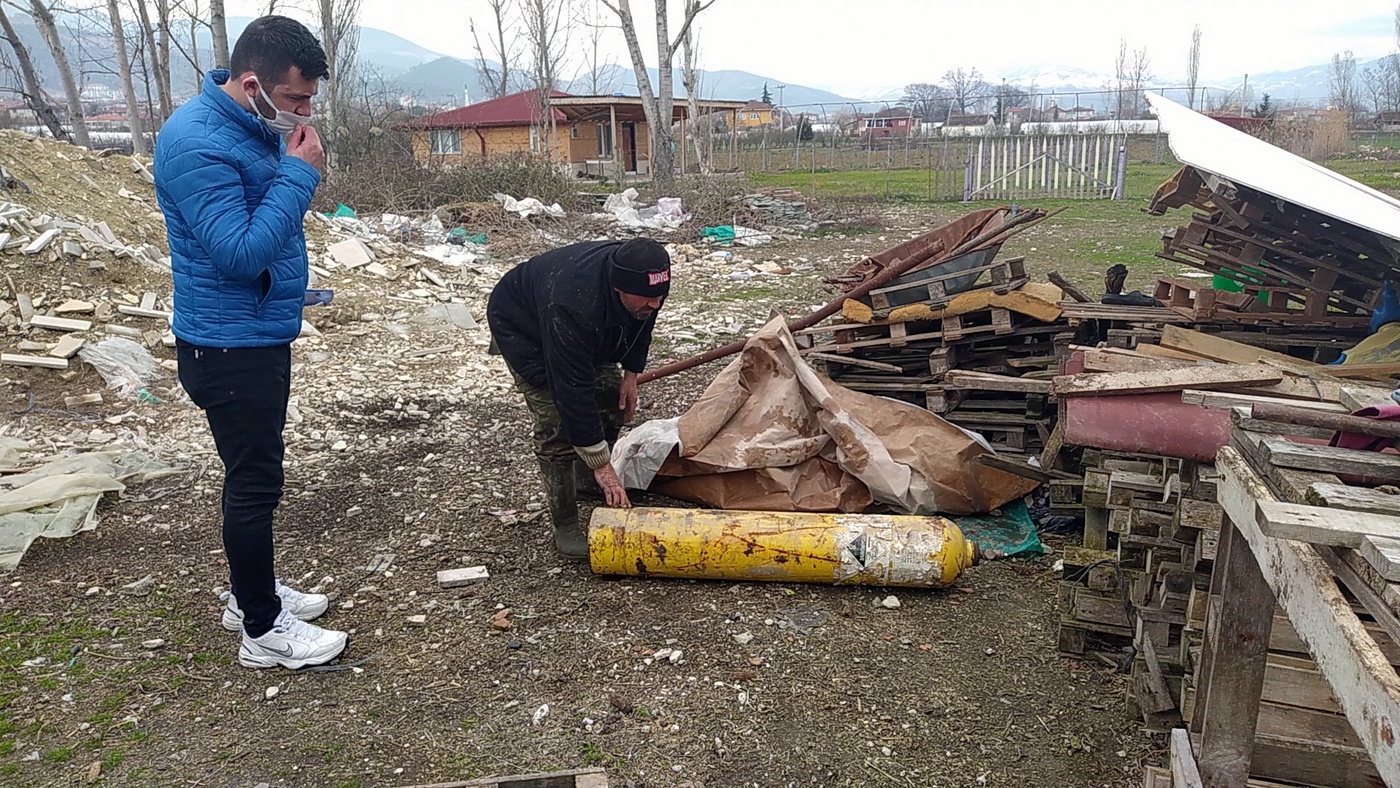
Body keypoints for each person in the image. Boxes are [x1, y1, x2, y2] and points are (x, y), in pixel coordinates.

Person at [154, 16, 347, 670]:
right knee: (256, 481)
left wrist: (287, 167)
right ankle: (263, 632)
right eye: (297, 99)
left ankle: (249, 592)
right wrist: (299, 176)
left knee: (251, 475)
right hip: (229, 345)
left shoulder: (244, 126)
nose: (304, 111)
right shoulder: (196, 144)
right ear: (252, 83)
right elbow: (239, 253)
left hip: (251, 333)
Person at [486, 239, 671, 558]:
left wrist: (631, 374)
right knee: (556, 422)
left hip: (584, 326)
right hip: (524, 326)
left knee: (612, 399)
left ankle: (588, 483)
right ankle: (566, 524)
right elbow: (571, 388)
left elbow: (643, 323)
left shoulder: (646, 280)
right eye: (648, 299)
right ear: (618, 289)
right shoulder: (570, 303)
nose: (655, 305)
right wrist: (602, 462)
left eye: (660, 297)